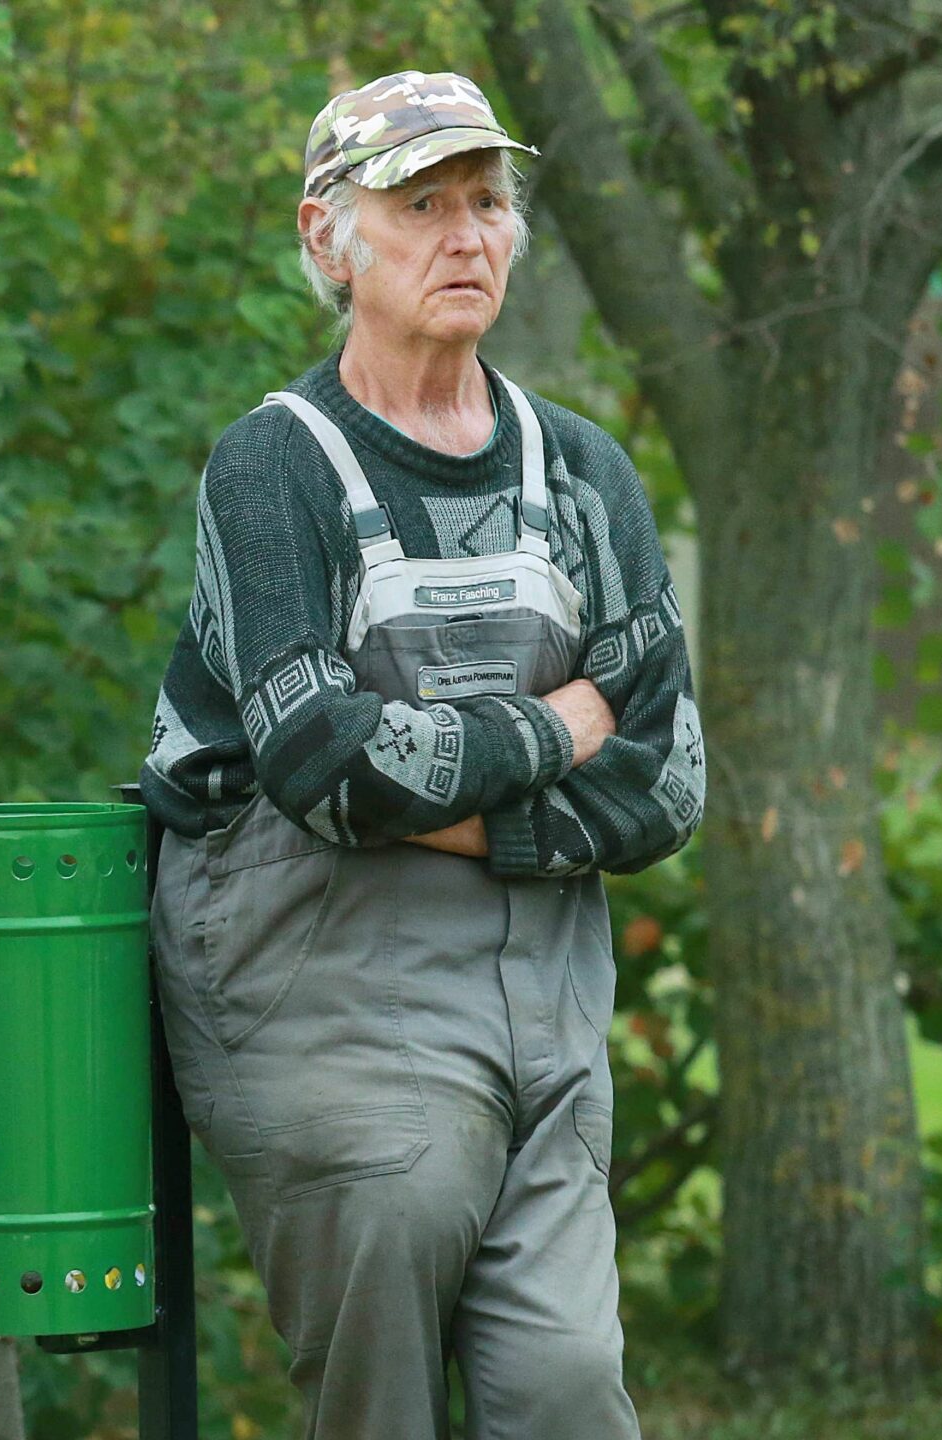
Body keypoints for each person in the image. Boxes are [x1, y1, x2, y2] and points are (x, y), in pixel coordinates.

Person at [139, 73, 706, 1439]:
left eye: (487, 203)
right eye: (422, 205)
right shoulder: (276, 470)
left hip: (544, 1005)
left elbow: (670, 778)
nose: (467, 235)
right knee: (380, 1373)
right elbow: (324, 771)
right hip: (320, 995)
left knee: (570, 1388)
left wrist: (453, 795)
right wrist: (562, 725)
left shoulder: (581, 473)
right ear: (329, 237)